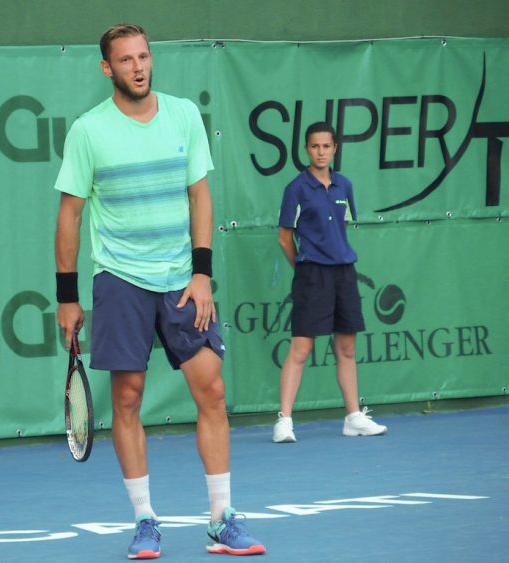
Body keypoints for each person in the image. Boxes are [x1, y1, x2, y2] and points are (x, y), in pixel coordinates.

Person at [54, 23, 265, 560]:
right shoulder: (88, 131)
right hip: (120, 279)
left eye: (143, 57)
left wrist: (202, 273)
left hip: (181, 280)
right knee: (126, 398)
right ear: (107, 69)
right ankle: (145, 520)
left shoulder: (183, 115)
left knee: (211, 390)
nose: (138, 67)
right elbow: (70, 215)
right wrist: (67, 296)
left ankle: (222, 519)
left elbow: (201, 196)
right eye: (125, 60)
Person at [273, 121, 388, 443]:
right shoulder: (295, 188)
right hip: (312, 274)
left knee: (347, 347)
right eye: (314, 146)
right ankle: (284, 420)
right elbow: (284, 237)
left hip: (344, 273)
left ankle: (353, 417)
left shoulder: (344, 186)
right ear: (306, 149)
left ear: (334, 149)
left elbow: (343, 227)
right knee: (302, 347)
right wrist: (303, 266)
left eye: (326, 146)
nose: (320, 152)